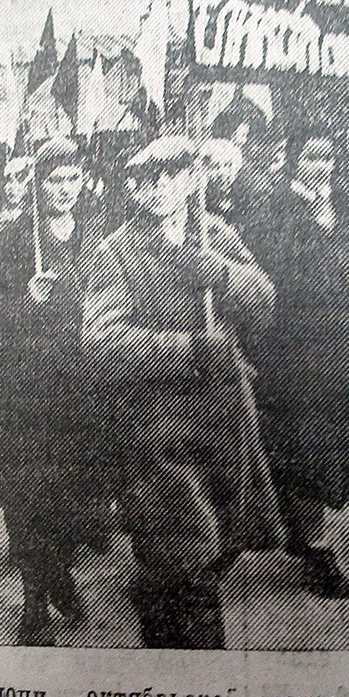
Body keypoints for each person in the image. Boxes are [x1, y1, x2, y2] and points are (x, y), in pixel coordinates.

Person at [82, 136, 282, 648]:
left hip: (223, 420)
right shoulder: (114, 251)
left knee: (207, 552)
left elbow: (265, 301)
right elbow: (101, 341)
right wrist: (189, 348)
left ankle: (160, 632)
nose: (159, 188)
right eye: (146, 180)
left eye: (171, 175)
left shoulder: (215, 235)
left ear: (193, 179)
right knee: (190, 559)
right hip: (157, 427)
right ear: (133, 188)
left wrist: (219, 273)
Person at [246, 126, 349, 599]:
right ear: (293, 161)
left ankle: (328, 524)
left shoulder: (342, 206)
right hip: (295, 352)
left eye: (327, 157)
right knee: (304, 449)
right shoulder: (275, 210)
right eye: (311, 157)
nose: (321, 166)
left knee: (336, 443)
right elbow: (277, 279)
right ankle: (314, 547)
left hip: (339, 348)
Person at [0, 138, 111, 645]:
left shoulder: (96, 234)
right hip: (30, 388)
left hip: (82, 386)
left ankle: (59, 574)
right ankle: (34, 601)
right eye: (54, 180)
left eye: (72, 179)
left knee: (71, 493)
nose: (64, 189)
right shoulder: (17, 238)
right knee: (29, 494)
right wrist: (28, 301)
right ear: (39, 185)